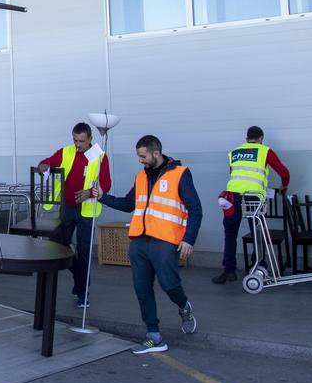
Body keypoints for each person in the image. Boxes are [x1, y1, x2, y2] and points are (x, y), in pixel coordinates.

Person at [87, 134, 202, 354]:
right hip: (139, 241)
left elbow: (195, 209)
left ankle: (184, 306)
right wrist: (102, 196)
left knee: (170, 285)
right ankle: (154, 336)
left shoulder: (181, 175)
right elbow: (128, 204)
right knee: (141, 288)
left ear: (156, 153)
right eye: (138, 156)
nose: (140, 160)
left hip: (165, 242)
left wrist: (189, 239)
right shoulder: (140, 177)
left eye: (143, 156)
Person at [36, 122, 112, 308]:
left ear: (90, 139)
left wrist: (89, 192)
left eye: (82, 141)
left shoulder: (99, 156)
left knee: (84, 251)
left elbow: (106, 184)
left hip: (86, 210)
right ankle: (79, 280)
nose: (78, 144)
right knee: (58, 246)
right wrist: (43, 165)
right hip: (67, 208)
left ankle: (82, 292)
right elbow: (48, 162)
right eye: (75, 140)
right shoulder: (66, 151)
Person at [214, 125, 290, 284]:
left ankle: (229, 271)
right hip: (253, 198)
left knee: (230, 234)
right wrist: (284, 186)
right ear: (261, 139)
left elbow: (234, 173)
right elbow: (284, 173)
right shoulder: (265, 151)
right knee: (257, 234)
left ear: (246, 139)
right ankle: (258, 268)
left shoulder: (234, 152)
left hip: (232, 198)